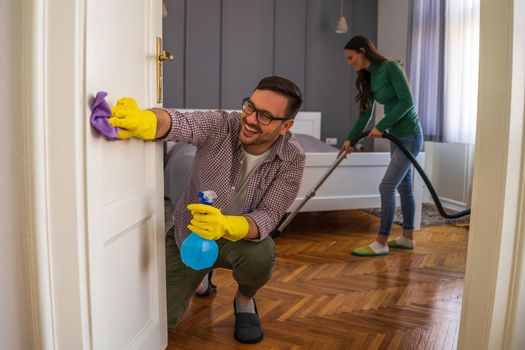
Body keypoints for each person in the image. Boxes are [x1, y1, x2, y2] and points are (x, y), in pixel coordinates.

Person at [107, 76, 305, 343]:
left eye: (266, 116)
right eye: (250, 107)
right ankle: (202, 275)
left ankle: (244, 299)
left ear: (286, 126)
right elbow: (181, 123)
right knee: (159, 322)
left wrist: (226, 226)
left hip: (240, 240)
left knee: (262, 254)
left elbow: (269, 215)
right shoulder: (222, 124)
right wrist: (146, 121)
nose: (251, 119)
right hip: (190, 236)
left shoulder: (293, 158)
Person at [340, 36, 423, 257]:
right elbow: (365, 114)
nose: (349, 63)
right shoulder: (369, 76)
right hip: (396, 137)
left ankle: (381, 242)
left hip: (410, 136)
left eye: (350, 57)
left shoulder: (390, 68)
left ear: (362, 51)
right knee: (404, 187)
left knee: (387, 187)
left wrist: (383, 124)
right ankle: (407, 238)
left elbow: (407, 101)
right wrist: (351, 139)